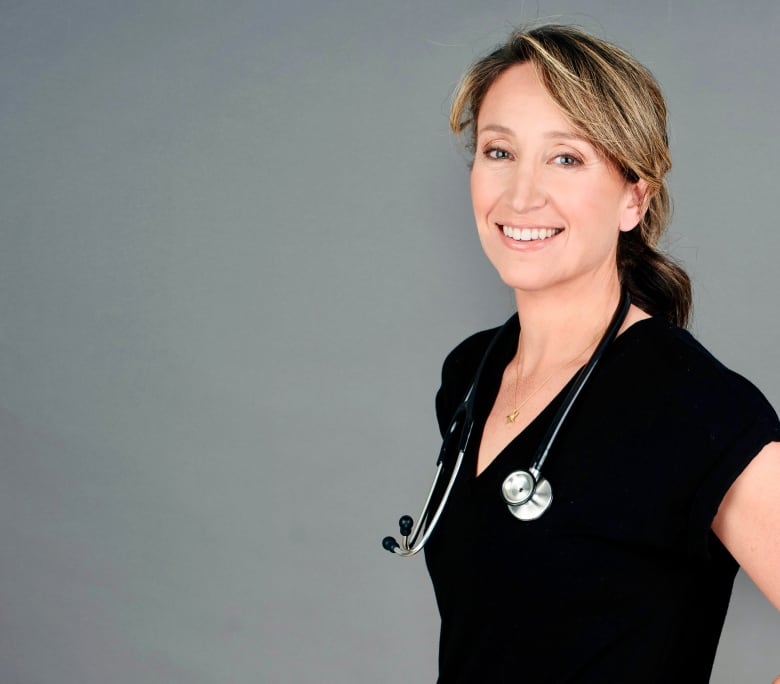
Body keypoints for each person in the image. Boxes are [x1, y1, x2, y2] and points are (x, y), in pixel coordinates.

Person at [423, 24, 780, 682]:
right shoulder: (471, 374)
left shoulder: (690, 404)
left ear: (633, 197)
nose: (521, 195)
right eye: (499, 151)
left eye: (566, 158)